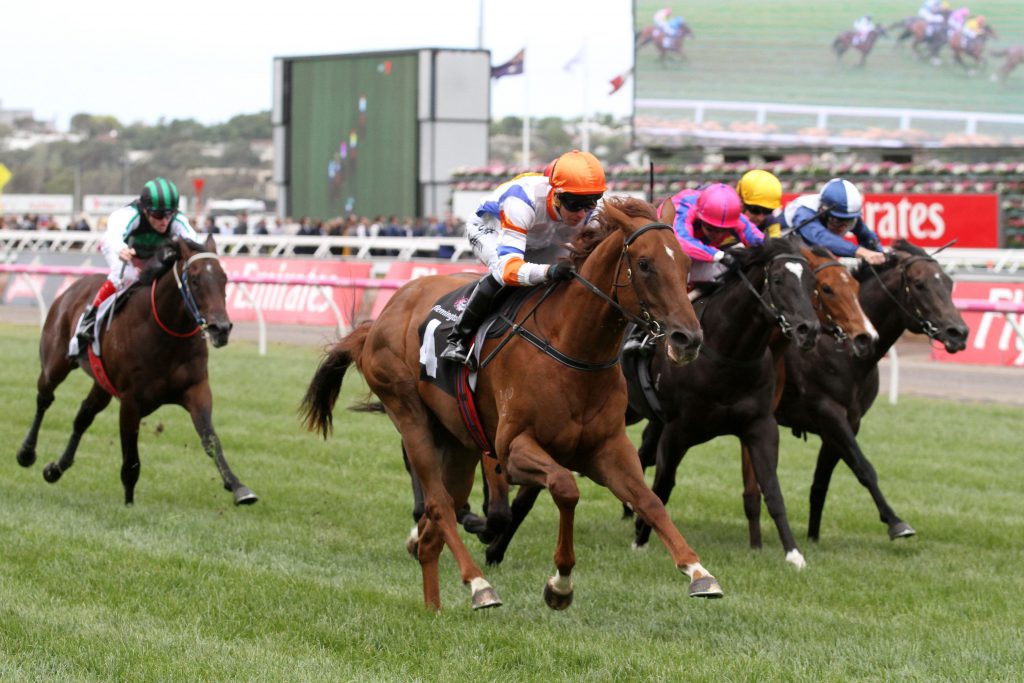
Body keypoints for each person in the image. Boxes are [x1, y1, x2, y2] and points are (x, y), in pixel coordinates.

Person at [439, 149, 606, 365]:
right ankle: (458, 338)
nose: (582, 214)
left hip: (540, 238)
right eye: (574, 204)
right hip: (492, 230)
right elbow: (509, 270)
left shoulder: (592, 211)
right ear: (555, 195)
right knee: (501, 276)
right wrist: (549, 271)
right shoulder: (521, 200)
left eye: (590, 202)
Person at [73, 177, 200, 352]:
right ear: (146, 210)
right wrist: (121, 248)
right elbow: (114, 234)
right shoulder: (129, 214)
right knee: (128, 276)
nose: (164, 221)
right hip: (119, 247)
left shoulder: (177, 220)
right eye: (158, 215)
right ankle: (90, 318)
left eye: (169, 214)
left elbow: (195, 243)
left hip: (148, 253)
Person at [668, 182, 765, 290]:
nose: (717, 235)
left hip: (699, 251)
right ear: (699, 215)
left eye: (724, 230)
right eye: (710, 228)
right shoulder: (682, 206)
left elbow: (757, 237)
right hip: (667, 253)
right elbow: (680, 243)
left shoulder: (733, 215)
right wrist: (719, 256)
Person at [780, 178, 887, 265]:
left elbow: (868, 237)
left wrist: (880, 255)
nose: (843, 227)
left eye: (849, 221)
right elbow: (822, 239)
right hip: (782, 250)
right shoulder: (804, 212)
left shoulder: (848, 215)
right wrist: (861, 252)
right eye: (837, 220)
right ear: (823, 211)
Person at [736, 169, 783, 238]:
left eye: (768, 211)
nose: (760, 218)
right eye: (755, 210)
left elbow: (776, 242)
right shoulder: (724, 220)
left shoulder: (771, 223)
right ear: (741, 200)